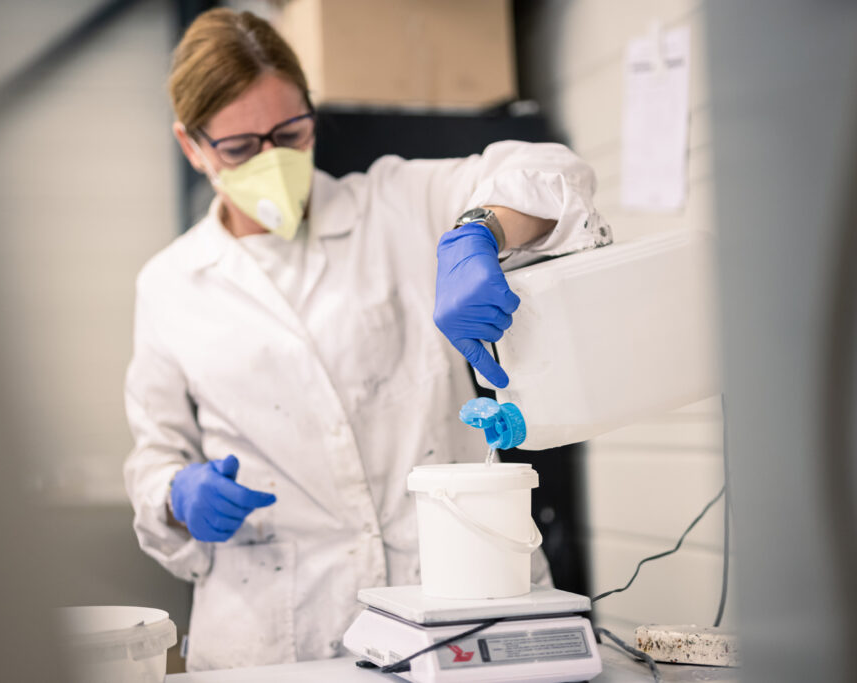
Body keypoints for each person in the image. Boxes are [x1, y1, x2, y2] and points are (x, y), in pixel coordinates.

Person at [123, 8, 611, 672]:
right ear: (193, 146)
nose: (271, 161)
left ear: (311, 114)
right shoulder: (170, 284)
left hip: (459, 592)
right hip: (274, 633)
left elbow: (551, 169)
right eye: (239, 148)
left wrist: (481, 230)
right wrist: (177, 496)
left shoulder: (397, 204)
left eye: (290, 134)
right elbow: (155, 457)